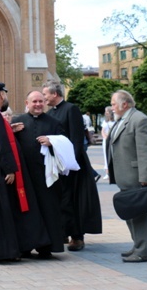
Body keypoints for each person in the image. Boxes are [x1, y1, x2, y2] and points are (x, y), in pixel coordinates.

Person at [0, 83, 49, 261]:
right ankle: (0, 252)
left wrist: (9, 131)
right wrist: (10, 169)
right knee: (0, 211)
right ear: (2, 95)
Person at [42, 80, 102, 252]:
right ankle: (63, 232)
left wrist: (70, 162)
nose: (44, 98)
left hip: (72, 165)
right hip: (57, 164)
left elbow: (76, 138)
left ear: (55, 94)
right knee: (61, 200)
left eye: (45, 94)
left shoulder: (71, 109)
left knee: (74, 200)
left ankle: (77, 236)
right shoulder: (51, 112)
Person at [108, 90, 147, 263]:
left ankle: (142, 250)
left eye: (114, 103)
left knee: (138, 215)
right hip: (126, 176)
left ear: (125, 104)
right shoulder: (123, 120)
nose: (112, 107)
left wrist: (145, 177)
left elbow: (146, 152)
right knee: (130, 212)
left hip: (137, 177)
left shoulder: (140, 120)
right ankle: (137, 246)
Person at [12, 91, 67, 258]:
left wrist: (53, 142)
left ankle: (46, 247)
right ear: (26, 103)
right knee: (25, 211)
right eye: (34, 101)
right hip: (25, 177)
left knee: (48, 210)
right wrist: (11, 132)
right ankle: (25, 246)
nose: (38, 104)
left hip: (46, 178)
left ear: (45, 103)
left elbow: (66, 145)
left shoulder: (54, 122)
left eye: (41, 101)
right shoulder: (16, 122)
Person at [100, 106, 115, 180]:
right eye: (105, 111)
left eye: (107, 111)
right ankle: (107, 173)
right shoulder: (105, 121)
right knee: (106, 156)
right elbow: (102, 131)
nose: (106, 113)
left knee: (113, 155)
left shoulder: (114, 121)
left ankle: (113, 172)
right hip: (105, 141)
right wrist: (105, 137)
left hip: (112, 140)